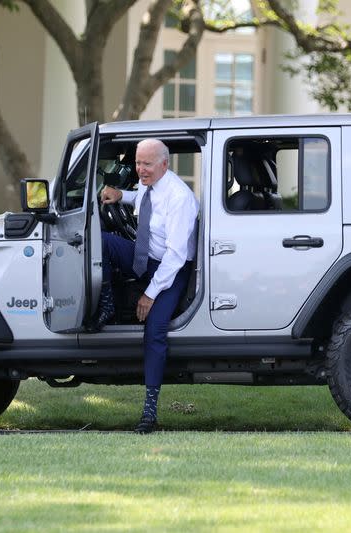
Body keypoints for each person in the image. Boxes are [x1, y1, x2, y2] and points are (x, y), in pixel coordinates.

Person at [93, 138, 199, 434]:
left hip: (170, 270)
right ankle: (107, 304)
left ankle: (150, 412)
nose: (140, 169)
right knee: (100, 242)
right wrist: (120, 195)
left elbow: (176, 256)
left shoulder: (179, 198)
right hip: (144, 257)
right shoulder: (149, 185)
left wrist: (149, 295)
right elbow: (142, 197)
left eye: (147, 164)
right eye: (138, 163)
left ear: (165, 164)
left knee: (154, 332)